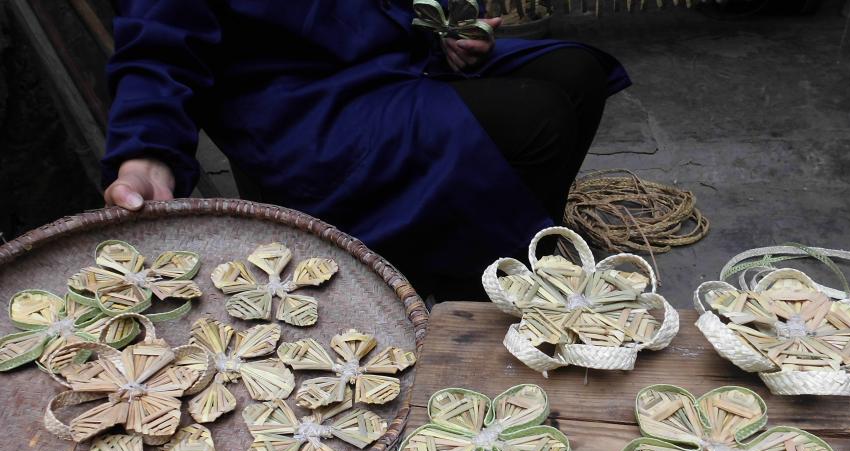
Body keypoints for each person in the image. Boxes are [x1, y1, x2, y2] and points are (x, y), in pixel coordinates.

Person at [102, 2, 630, 296]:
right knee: (536, 118)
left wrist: (440, 29)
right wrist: (147, 151)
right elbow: (158, 48)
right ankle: (475, 291)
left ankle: (532, 248)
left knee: (574, 71)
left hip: (389, 63)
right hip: (305, 113)